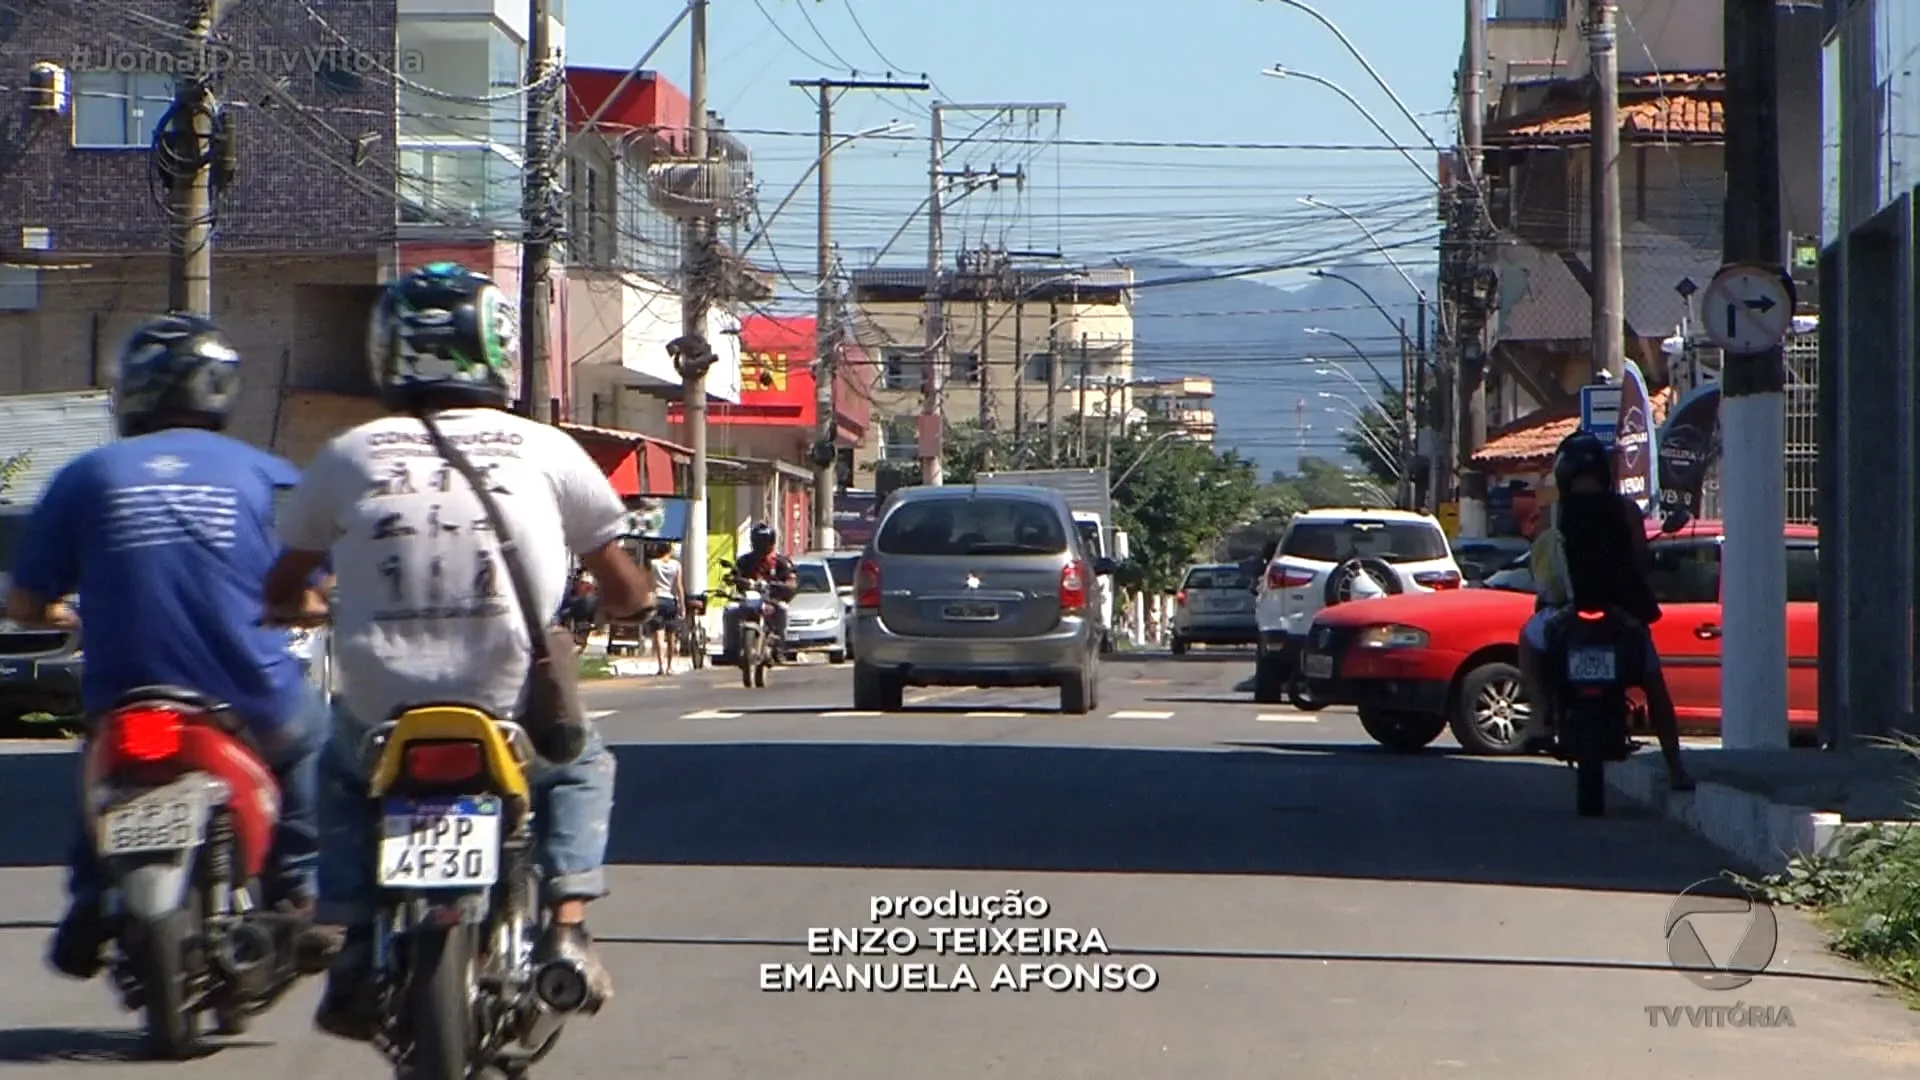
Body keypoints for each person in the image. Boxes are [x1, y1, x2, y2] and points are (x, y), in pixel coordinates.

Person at [261, 262, 653, 1040]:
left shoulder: (347, 454)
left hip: (382, 705)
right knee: (579, 768)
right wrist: (625, 606)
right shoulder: (547, 449)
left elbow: (284, 583)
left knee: (336, 777)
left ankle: (343, 932)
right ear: (498, 350)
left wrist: (303, 606)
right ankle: (569, 924)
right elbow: (627, 587)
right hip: (509, 701)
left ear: (387, 353)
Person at [7, 313, 329, 980]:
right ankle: (296, 890)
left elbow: (24, 602)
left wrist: (64, 613)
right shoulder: (268, 474)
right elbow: (312, 589)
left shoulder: (85, 475)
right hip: (248, 692)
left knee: (98, 777)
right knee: (310, 746)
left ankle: (90, 898)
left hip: (124, 693)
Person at [1518, 430, 1693, 790]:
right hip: (1621, 613)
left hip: (1570, 611)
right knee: (1654, 686)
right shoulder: (1625, 510)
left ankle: (1538, 718)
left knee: (1528, 639)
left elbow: (1542, 564)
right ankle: (1677, 769)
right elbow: (1641, 559)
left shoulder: (1555, 513)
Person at [727, 522, 797, 651]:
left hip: (772, 600)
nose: (762, 546)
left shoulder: (782, 562)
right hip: (748, 599)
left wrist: (783, 586)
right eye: (758, 541)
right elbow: (734, 575)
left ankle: (780, 646)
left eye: (765, 541)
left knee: (783, 609)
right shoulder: (744, 561)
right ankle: (730, 647)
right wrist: (733, 579)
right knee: (730, 610)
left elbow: (791, 581)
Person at [645, 541, 686, 675]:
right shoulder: (676, 565)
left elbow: (650, 583)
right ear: (669, 550)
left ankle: (661, 666)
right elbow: (679, 586)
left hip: (657, 599)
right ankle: (670, 666)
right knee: (671, 635)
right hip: (670, 600)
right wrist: (682, 604)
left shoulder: (653, 564)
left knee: (658, 633)